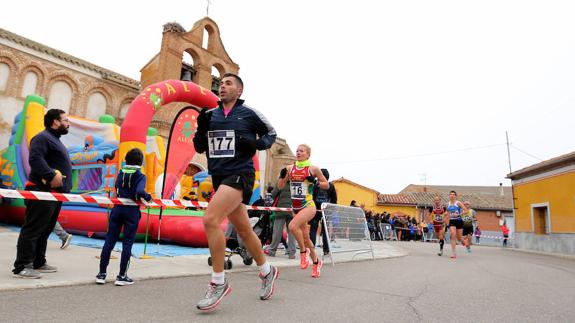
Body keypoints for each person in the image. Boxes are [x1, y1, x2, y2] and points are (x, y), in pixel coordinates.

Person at [192, 73, 278, 310]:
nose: (222, 87)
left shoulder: (250, 114)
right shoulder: (210, 115)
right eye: (221, 84)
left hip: (240, 173)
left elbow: (271, 134)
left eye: (228, 83)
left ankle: (218, 282)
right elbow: (200, 146)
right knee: (244, 229)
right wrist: (200, 129)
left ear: (239, 90)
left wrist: (256, 145)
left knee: (210, 220)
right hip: (219, 176)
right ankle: (267, 270)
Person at [13, 109, 72, 278]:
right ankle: (22, 265)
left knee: (45, 230)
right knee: (33, 229)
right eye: (65, 120)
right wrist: (51, 175)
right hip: (41, 192)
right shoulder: (42, 138)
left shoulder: (55, 140)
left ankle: (38, 261)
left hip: (53, 194)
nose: (68, 123)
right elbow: (35, 159)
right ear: (55, 121)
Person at [96, 148, 152, 286]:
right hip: (131, 212)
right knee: (127, 243)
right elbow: (139, 191)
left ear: (126, 160)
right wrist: (147, 197)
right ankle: (121, 276)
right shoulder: (140, 175)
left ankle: (101, 274)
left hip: (117, 209)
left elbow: (116, 187)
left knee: (109, 241)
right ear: (141, 162)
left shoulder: (121, 173)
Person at [278, 144, 329, 278]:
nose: (298, 152)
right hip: (295, 207)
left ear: (308, 154)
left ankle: (303, 253)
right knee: (306, 238)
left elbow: (327, 185)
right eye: (297, 150)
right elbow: (280, 186)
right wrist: (283, 177)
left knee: (292, 226)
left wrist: (316, 182)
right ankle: (317, 262)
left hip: (308, 205)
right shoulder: (290, 168)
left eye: (301, 151)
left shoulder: (313, 169)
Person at [310, 168, 337, 255]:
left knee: (313, 229)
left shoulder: (315, 185)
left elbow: (311, 197)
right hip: (326, 211)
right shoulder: (331, 186)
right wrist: (331, 210)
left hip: (315, 210)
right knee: (325, 230)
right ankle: (326, 250)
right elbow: (334, 200)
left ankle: (311, 249)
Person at [268, 182, 296, 259]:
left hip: (281, 210)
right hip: (292, 210)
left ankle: (272, 251)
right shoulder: (296, 182)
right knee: (292, 232)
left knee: (277, 231)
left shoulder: (281, 182)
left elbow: (273, 194)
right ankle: (291, 253)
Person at [446, 191, 468, 259]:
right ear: (449, 196)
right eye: (451, 194)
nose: (452, 196)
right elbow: (448, 212)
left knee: (459, 238)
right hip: (452, 221)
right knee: (453, 235)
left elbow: (466, 210)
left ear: (455, 196)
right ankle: (453, 253)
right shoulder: (447, 204)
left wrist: (458, 214)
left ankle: (464, 241)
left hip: (459, 221)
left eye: (453, 194)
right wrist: (446, 220)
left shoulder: (458, 203)